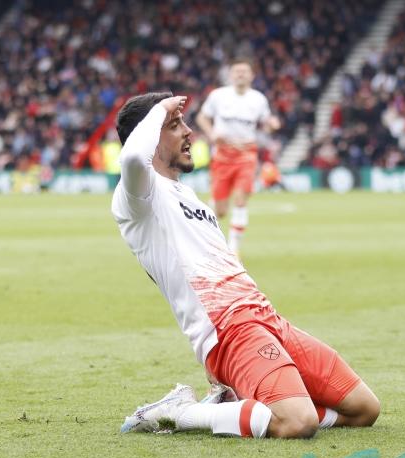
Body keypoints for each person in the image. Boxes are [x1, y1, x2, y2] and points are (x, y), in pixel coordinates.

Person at [112, 93, 379, 439]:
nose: (190, 132)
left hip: (267, 318)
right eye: (175, 125)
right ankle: (180, 412)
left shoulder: (188, 196)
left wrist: (167, 115)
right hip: (229, 330)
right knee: (298, 422)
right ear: (148, 134)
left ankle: (239, 404)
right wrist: (162, 108)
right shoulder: (137, 197)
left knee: (364, 409)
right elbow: (133, 155)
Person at [195, 58, 281, 255]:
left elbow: (266, 124)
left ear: (252, 75)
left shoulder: (258, 99)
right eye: (237, 71)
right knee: (220, 209)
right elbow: (202, 117)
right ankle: (209, 238)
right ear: (230, 75)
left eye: (244, 71)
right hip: (222, 155)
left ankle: (232, 249)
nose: (240, 74)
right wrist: (211, 133)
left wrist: (272, 124)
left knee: (242, 199)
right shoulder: (218, 96)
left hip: (247, 153)